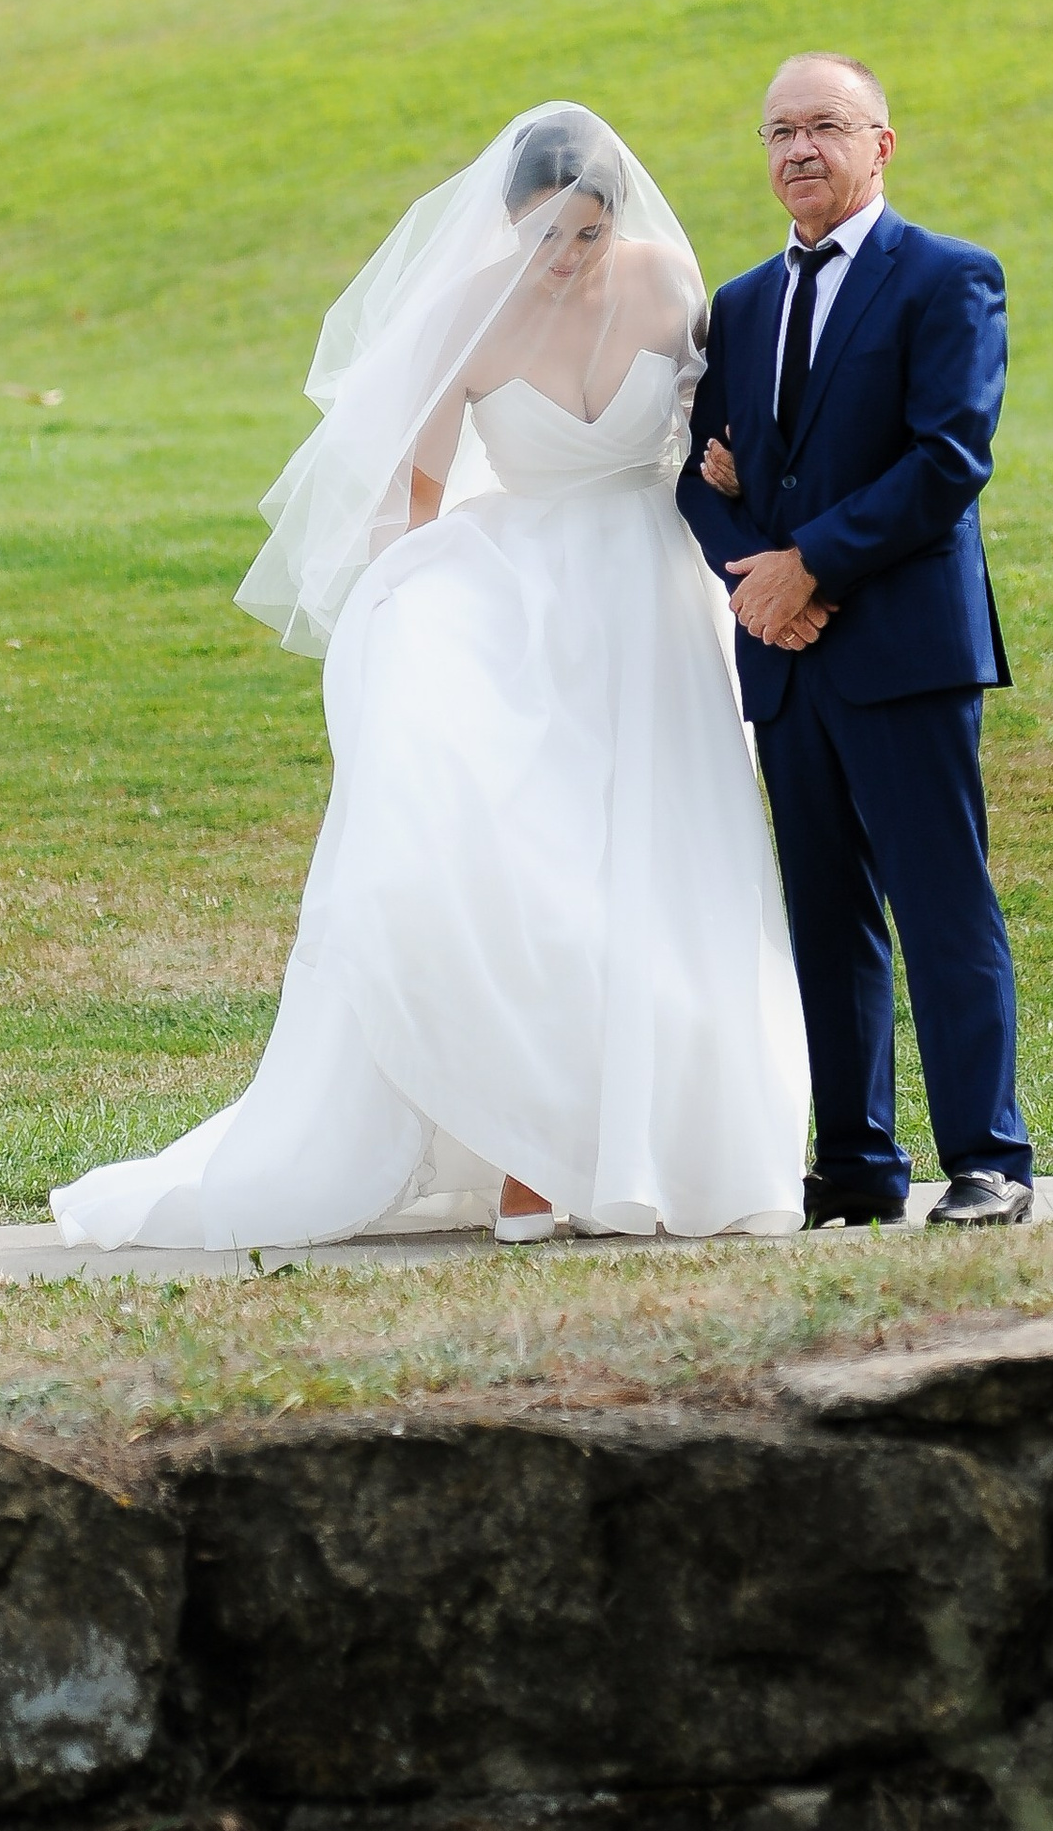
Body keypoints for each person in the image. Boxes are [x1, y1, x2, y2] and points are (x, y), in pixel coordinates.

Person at [53, 106, 809, 1251]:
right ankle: (526, 1155)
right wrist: (395, 616)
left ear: (618, 218)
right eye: (540, 240)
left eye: (585, 236)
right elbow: (415, 493)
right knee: (524, 865)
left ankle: (684, 1149)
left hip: (655, 600)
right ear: (506, 228)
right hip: (527, 600)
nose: (562, 261)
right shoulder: (470, 312)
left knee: (666, 864)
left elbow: (721, 424)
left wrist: (735, 472)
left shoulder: (671, 285)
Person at [678, 53, 1033, 1229]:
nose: (797, 151)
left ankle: (988, 1162)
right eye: (777, 131)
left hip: (907, 651)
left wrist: (807, 563)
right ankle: (855, 1168)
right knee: (825, 921)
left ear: (882, 143)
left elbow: (948, 460)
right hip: (784, 660)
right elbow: (700, 473)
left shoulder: (946, 279)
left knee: (941, 907)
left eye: (825, 126)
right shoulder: (737, 305)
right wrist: (757, 574)